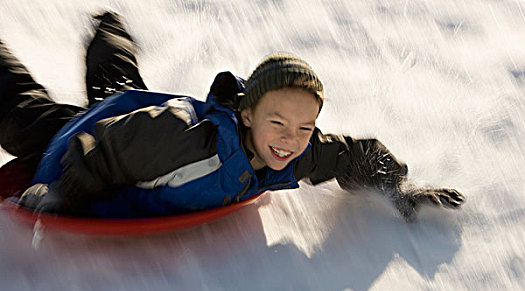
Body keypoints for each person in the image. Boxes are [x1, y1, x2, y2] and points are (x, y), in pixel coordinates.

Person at [0, 11, 463, 220]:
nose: (291, 139)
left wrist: (396, 186)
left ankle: (109, 31)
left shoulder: (289, 150)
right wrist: (63, 196)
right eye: (278, 123)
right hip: (91, 135)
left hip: (136, 118)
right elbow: (97, 148)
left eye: (305, 127)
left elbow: (344, 155)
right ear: (245, 115)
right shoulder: (184, 139)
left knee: (121, 89)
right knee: (23, 112)